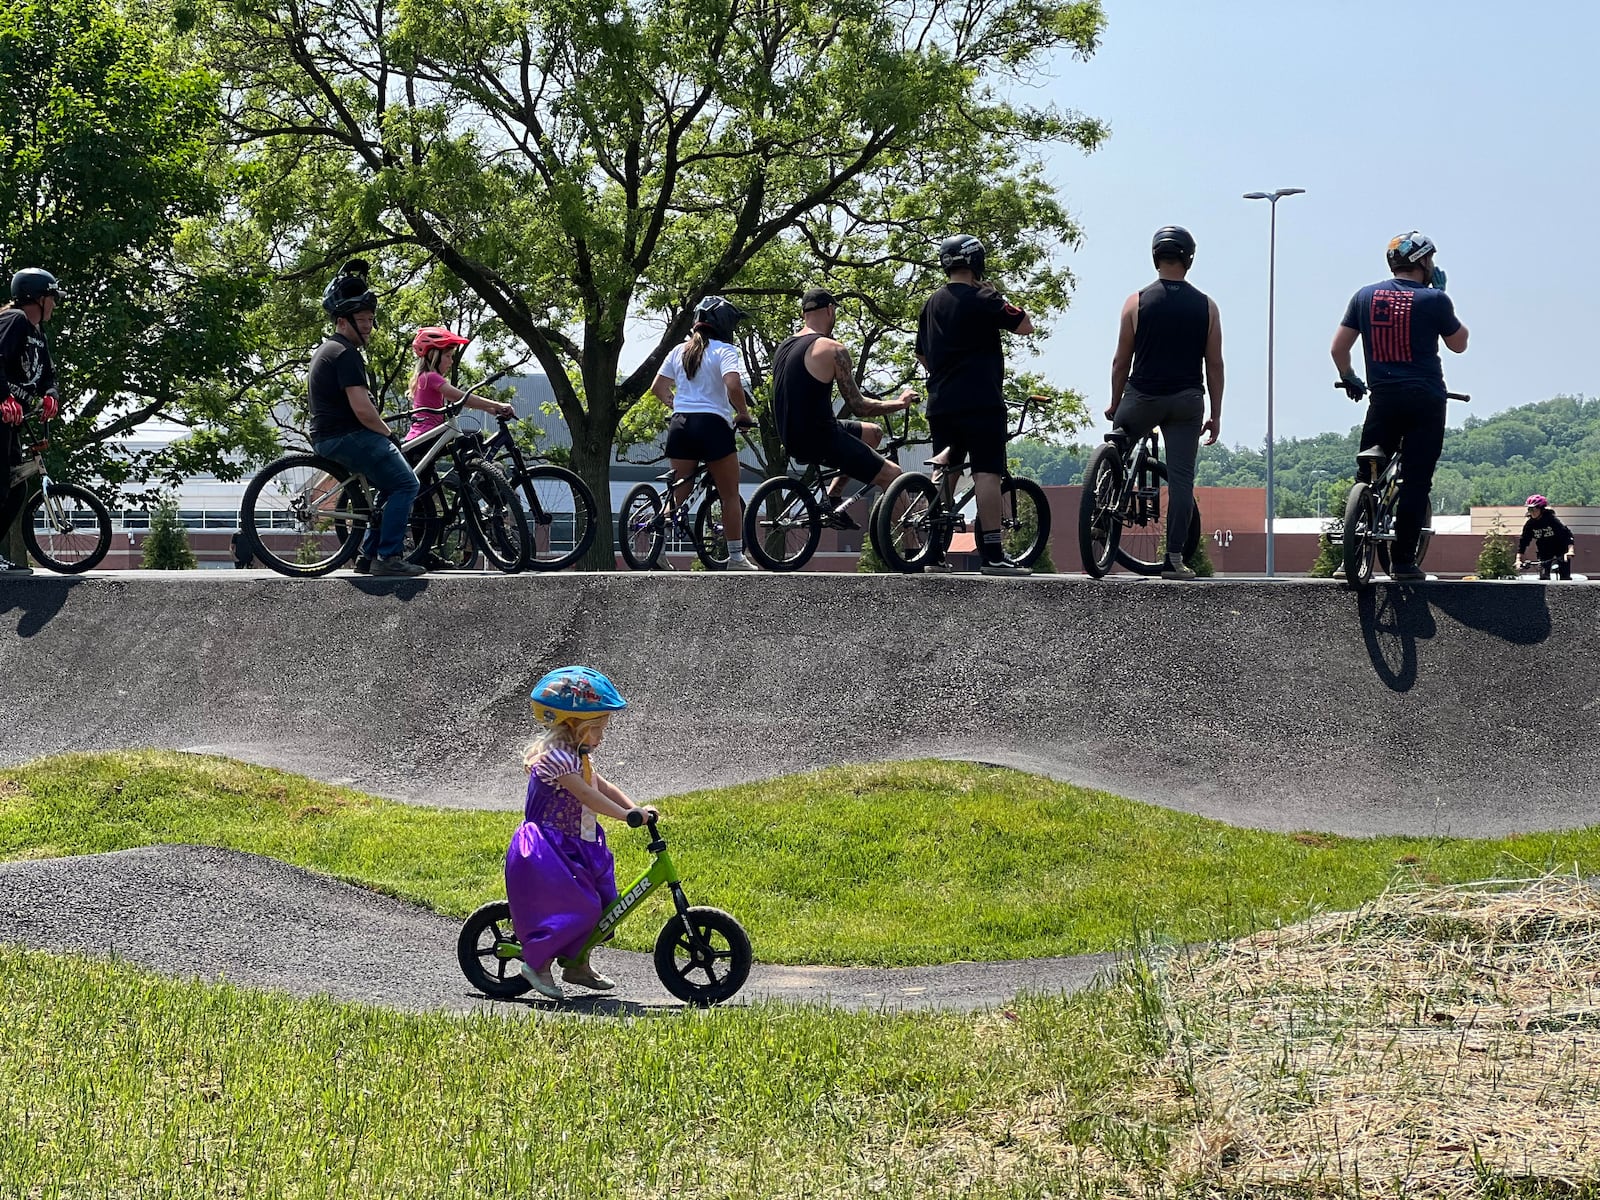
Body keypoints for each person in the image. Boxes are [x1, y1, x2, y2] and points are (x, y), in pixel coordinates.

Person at [505, 666, 654, 1001]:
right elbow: (586, 796)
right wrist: (624, 816)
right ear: (575, 726)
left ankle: (576, 964)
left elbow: (603, 787)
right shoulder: (557, 759)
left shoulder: (578, 755)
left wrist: (637, 810)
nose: (602, 736)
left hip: (580, 844)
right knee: (579, 908)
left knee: (604, 908)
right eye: (597, 729)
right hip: (550, 847)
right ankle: (536, 965)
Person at [1331, 231, 1469, 583]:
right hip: (1426, 401)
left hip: (1384, 399)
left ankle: (1350, 557)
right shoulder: (1434, 299)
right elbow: (1459, 344)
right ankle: (1404, 563)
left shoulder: (1364, 297)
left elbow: (1338, 348)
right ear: (1423, 262)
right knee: (1416, 480)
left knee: (1368, 471)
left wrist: (1350, 377)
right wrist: (1442, 295)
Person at [1106, 227, 1224, 581]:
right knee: (1182, 480)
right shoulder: (1207, 306)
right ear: (1189, 259)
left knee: (1117, 450)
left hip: (1141, 397)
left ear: (1155, 256)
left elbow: (1120, 361)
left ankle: (1101, 512)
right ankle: (1174, 559)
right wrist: (1216, 414)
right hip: (1187, 402)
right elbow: (1214, 364)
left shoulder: (1135, 302)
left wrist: (1114, 402)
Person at [914, 234, 1036, 576]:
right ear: (976, 262)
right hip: (981, 400)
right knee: (986, 471)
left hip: (941, 403)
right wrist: (996, 293)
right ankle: (994, 554)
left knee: (946, 471)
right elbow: (1025, 326)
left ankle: (934, 552)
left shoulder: (931, 303)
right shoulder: (984, 296)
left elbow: (922, 353)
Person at [307, 259, 425, 577]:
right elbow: (362, 410)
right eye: (364, 320)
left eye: (371, 319)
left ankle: (368, 555)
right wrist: (389, 435)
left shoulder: (327, 349)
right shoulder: (345, 354)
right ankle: (389, 557)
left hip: (329, 436)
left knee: (389, 486)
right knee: (406, 483)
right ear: (344, 321)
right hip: (346, 434)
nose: (370, 327)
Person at [771, 287, 917, 528]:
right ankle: (913, 552)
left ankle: (833, 497)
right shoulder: (832, 349)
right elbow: (858, 405)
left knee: (873, 434)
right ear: (830, 310)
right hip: (821, 438)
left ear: (804, 314)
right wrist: (899, 403)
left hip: (791, 436)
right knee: (893, 475)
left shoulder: (784, 348)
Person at [651, 296, 759, 570]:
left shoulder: (679, 351)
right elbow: (733, 385)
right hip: (712, 426)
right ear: (724, 324)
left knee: (679, 490)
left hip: (681, 425)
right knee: (729, 495)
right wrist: (743, 413)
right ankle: (735, 557)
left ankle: (657, 552)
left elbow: (658, 388)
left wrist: (676, 404)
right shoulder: (724, 351)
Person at [0, 268, 64, 576]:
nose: (54, 304)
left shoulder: (38, 334)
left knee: (16, 489)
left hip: (12, 421)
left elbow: (47, 376)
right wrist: (4, 397)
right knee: (2, 484)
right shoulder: (15, 321)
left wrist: (50, 396)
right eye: (52, 298)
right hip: (1, 412)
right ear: (38, 298)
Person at [402, 326, 515, 443]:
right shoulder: (431, 377)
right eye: (448, 356)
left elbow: (462, 401)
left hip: (423, 435)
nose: (451, 361)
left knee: (470, 440)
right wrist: (498, 405)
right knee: (475, 438)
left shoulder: (424, 377)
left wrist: (490, 409)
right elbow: (462, 397)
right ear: (433, 356)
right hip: (426, 435)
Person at [1518, 495, 1575, 579]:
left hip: (1560, 549)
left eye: (1534, 509)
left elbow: (1567, 535)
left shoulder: (1551, 520)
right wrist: (1518, 560)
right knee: (1544, 576)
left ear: (1541, 509)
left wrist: (1570, 551)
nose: (1532, 512)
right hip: (1544, 550)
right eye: (1530, 509)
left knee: (1564, 576)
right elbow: (1523, 542)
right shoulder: (1530, 525)